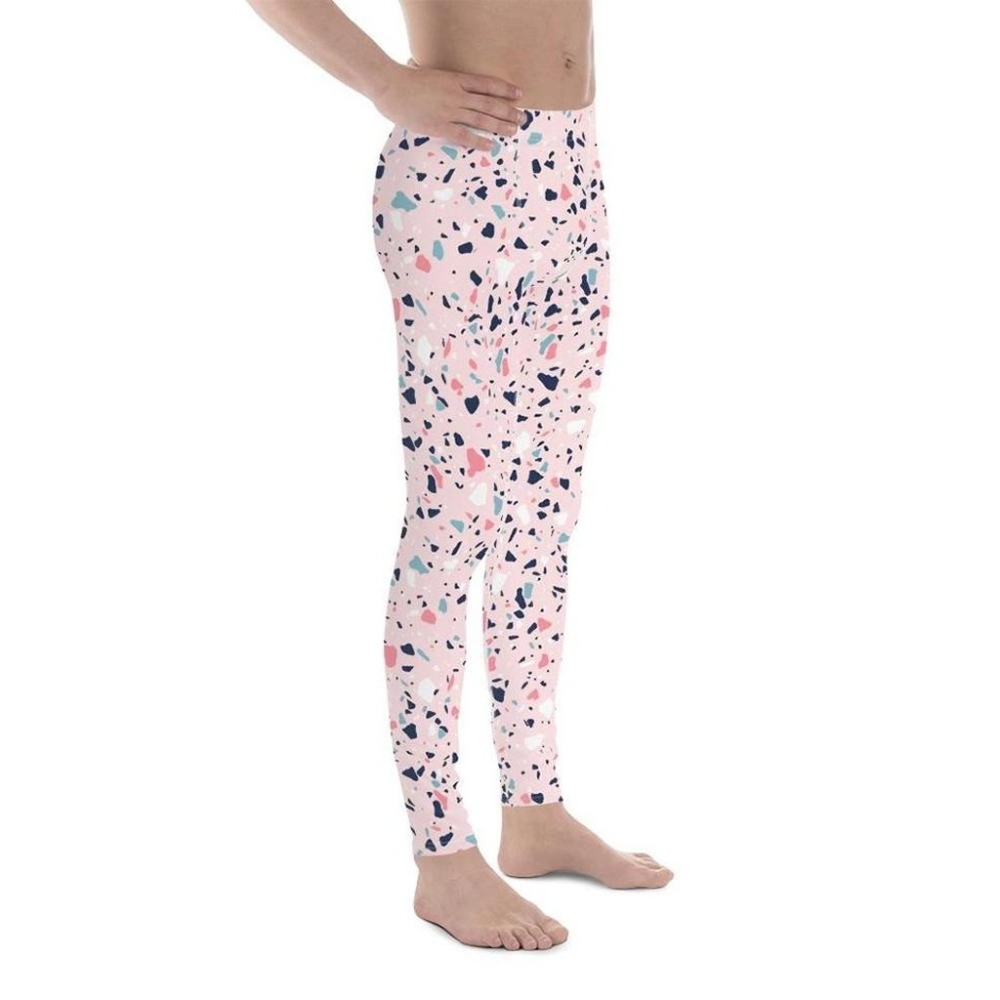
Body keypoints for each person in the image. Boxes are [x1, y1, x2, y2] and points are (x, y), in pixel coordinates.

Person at [244, 0, 674, 949]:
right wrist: (383, 82)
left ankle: (535, 809)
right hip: (463, 179)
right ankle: (442, 855)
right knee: (454, 521)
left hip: (572, 169)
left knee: (543, 519)